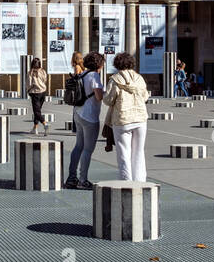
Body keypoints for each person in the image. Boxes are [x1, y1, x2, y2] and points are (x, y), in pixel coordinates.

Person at [100, 51, 151, 182]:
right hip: (140, 119)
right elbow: (145, 96)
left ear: (117, 64)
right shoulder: (139, 78)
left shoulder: (115, 80)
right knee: (139, 152)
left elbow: (108, 100)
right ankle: (140, 182)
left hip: (122, 119)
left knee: (124, 153)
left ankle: (126, 182)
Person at [65, 51, 105, 190]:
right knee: (88, 149)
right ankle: (83, 180)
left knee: (78, 146)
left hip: (78, 112)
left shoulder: (82, 73)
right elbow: (99, 97)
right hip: (90, 116)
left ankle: (71, 177)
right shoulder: (94, 75)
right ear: (99, 64)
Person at [27, 57, 49, 136]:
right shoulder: (43, 71)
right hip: (43, 92)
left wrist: (28, 90)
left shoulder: (31, 72)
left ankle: (44, 123)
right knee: (38, 110)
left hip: (35, 92)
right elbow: (45, 80)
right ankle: (35, 128)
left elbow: (29, 83)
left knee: (36, 111)